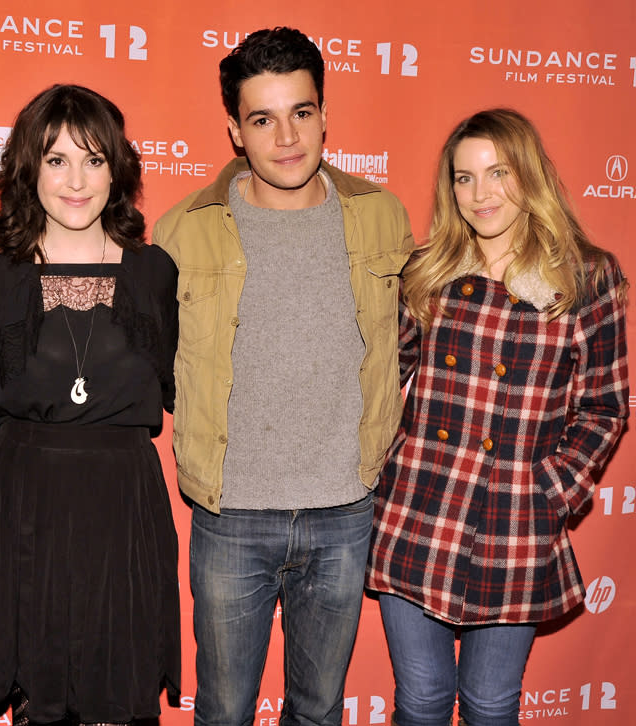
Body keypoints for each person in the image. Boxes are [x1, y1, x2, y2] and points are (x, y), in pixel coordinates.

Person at [152, 27, 414, 726]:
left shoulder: (381, 218)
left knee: (318, 710)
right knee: (225, 711)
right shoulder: (182, 232)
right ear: (234, 130)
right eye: (262, 118)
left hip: (344, 511)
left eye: (301, 112)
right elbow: (159, 365)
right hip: (230, 515)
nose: (286, 137)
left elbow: (405, 348)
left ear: (324, 115)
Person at [366, 108, 629, 726]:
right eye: (464, 178)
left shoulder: (586, 278)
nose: (480, 195)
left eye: (497, 173)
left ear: (529, 175)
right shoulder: (429, 272)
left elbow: (604, 404)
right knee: (422, 701)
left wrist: (552, 490)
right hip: (417, 510)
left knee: (489, 704)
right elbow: (379, 379)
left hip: (515, 520)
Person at [0, 84, 181, 726]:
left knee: (122, 687)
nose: (76, 180)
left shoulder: (155, 274)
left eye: (93, 159)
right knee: (40, 693)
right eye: (57, 160)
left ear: (117, 169)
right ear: (28, 170)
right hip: (25, 505)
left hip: (122, 507)